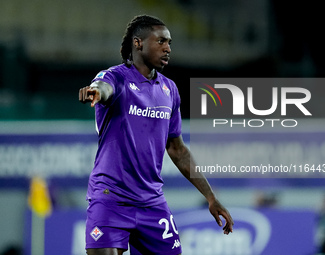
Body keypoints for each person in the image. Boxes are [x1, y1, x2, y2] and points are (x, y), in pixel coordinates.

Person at [79, 14, 233, 255]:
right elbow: (104, 88)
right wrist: (96, 92)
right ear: (138, 43)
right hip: (111, 199)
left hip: (152, 202)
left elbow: (177, 149)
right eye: (161, 41)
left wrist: (210, 197)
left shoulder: (169, 89)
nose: (168, 48)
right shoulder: (115, 77)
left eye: (169, 43)